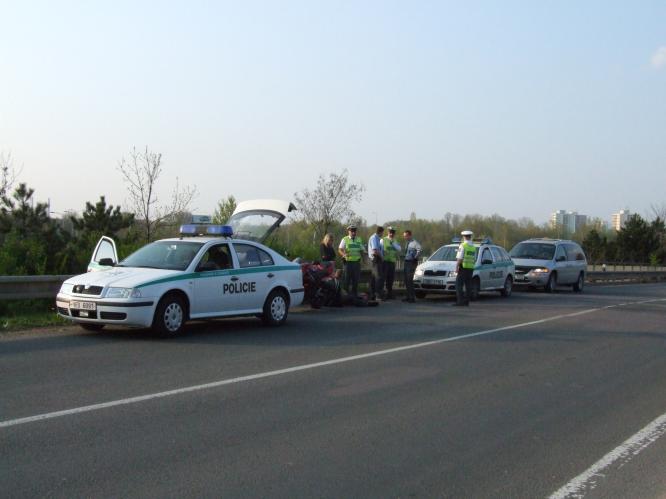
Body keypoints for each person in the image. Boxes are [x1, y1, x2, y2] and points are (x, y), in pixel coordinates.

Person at [338, 224, 364, 298]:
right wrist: (344, 254)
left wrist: (364, 255)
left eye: (354, 231)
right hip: (348, 263)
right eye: (352, 231)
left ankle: (354, 295)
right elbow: (340, 249)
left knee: (356, 280)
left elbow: (361, 249)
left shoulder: (359, 239)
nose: (353, 232)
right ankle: (346, 296)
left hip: (356, 263)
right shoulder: (345, 239)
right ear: (348, 231)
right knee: (347, 280)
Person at [454, 230, 476, 306]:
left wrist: (456, 266)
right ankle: (466, 301)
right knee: (468, 285)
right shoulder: (473, 247)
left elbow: (460, 258)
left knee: (458, 284)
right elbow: (474, 258)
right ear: (470, 237)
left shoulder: (463, 245)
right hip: (470, 268)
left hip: (463, 267)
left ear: (464, 237)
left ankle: (460, 301)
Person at [402, 229, 422, 303]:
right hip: (406, 262)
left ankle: (412, 297)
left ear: (410, 235)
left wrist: (415, 258)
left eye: (406, 236)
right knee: (406, 280)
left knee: (410, 280)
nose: (405, 237)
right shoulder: (407, 243)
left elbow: (419, 250)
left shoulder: (415, 243)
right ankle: (408, 296)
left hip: (411, 262)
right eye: (404, 236)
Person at [381, 226, 401, 299]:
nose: (391, 234)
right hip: (385, 262)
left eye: (393, 233)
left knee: (391, 278)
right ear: (388, 232)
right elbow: (381, 250)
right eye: (390, 232)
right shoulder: (383, 240)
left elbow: (399, 249)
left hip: (392, 262)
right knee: (384, 278)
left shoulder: (395, 241)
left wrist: (392, 243)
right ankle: (383, 293)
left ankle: (389, 293)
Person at [367, 226, 385, 300]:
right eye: (382, 232)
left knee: (374, 278)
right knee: (378, 277)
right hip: (375, 259)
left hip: (376, 259)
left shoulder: (378, 238)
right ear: (380, 232)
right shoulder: (374, 238)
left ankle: (373, 294)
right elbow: (375, 250)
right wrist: (381, 257)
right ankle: (377, 295)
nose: (383, 234)